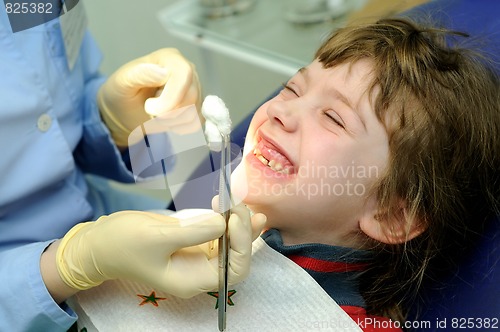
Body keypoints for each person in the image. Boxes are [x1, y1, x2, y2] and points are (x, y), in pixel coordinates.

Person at [0, 4, 265, 331]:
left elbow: (53, 119)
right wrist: (63, 267)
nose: (285, 114)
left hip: (110, 214)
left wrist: (112, 123)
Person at [229, 15, 500, 328]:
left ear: (392, 216)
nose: (280, 110)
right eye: (292, 89)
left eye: (334, 118)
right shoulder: (200, 228)